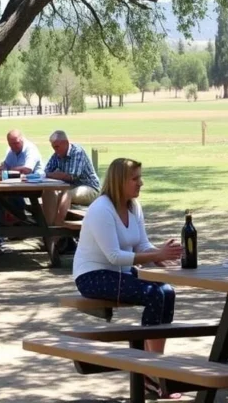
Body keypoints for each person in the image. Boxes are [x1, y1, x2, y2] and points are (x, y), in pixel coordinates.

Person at [72, 157, 182, 399]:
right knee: (155, 294)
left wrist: (164, 257)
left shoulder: (134, 207)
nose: (141, 183)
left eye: (140, 178)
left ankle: (154, 366)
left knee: (167, 291)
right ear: (119, 181)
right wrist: (156, 255)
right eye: (135, 179)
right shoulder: (101, 209)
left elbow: (142, 245)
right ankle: (150, 372)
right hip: (92, 275)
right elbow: (113, 256)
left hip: (120, 273)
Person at [44, 130, 101, 225]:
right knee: (48, 192)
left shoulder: (77, 152)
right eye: (53, 147)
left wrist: (53, 174)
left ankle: (58, 225)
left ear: (65, 143)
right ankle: (48, 226)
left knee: (67, 194)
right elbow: (46, 171)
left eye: (57, 147)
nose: (55, 150)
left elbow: (71, 176)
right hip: (70, 188)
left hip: (90, 188)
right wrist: (54, 174)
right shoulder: (57, 154)